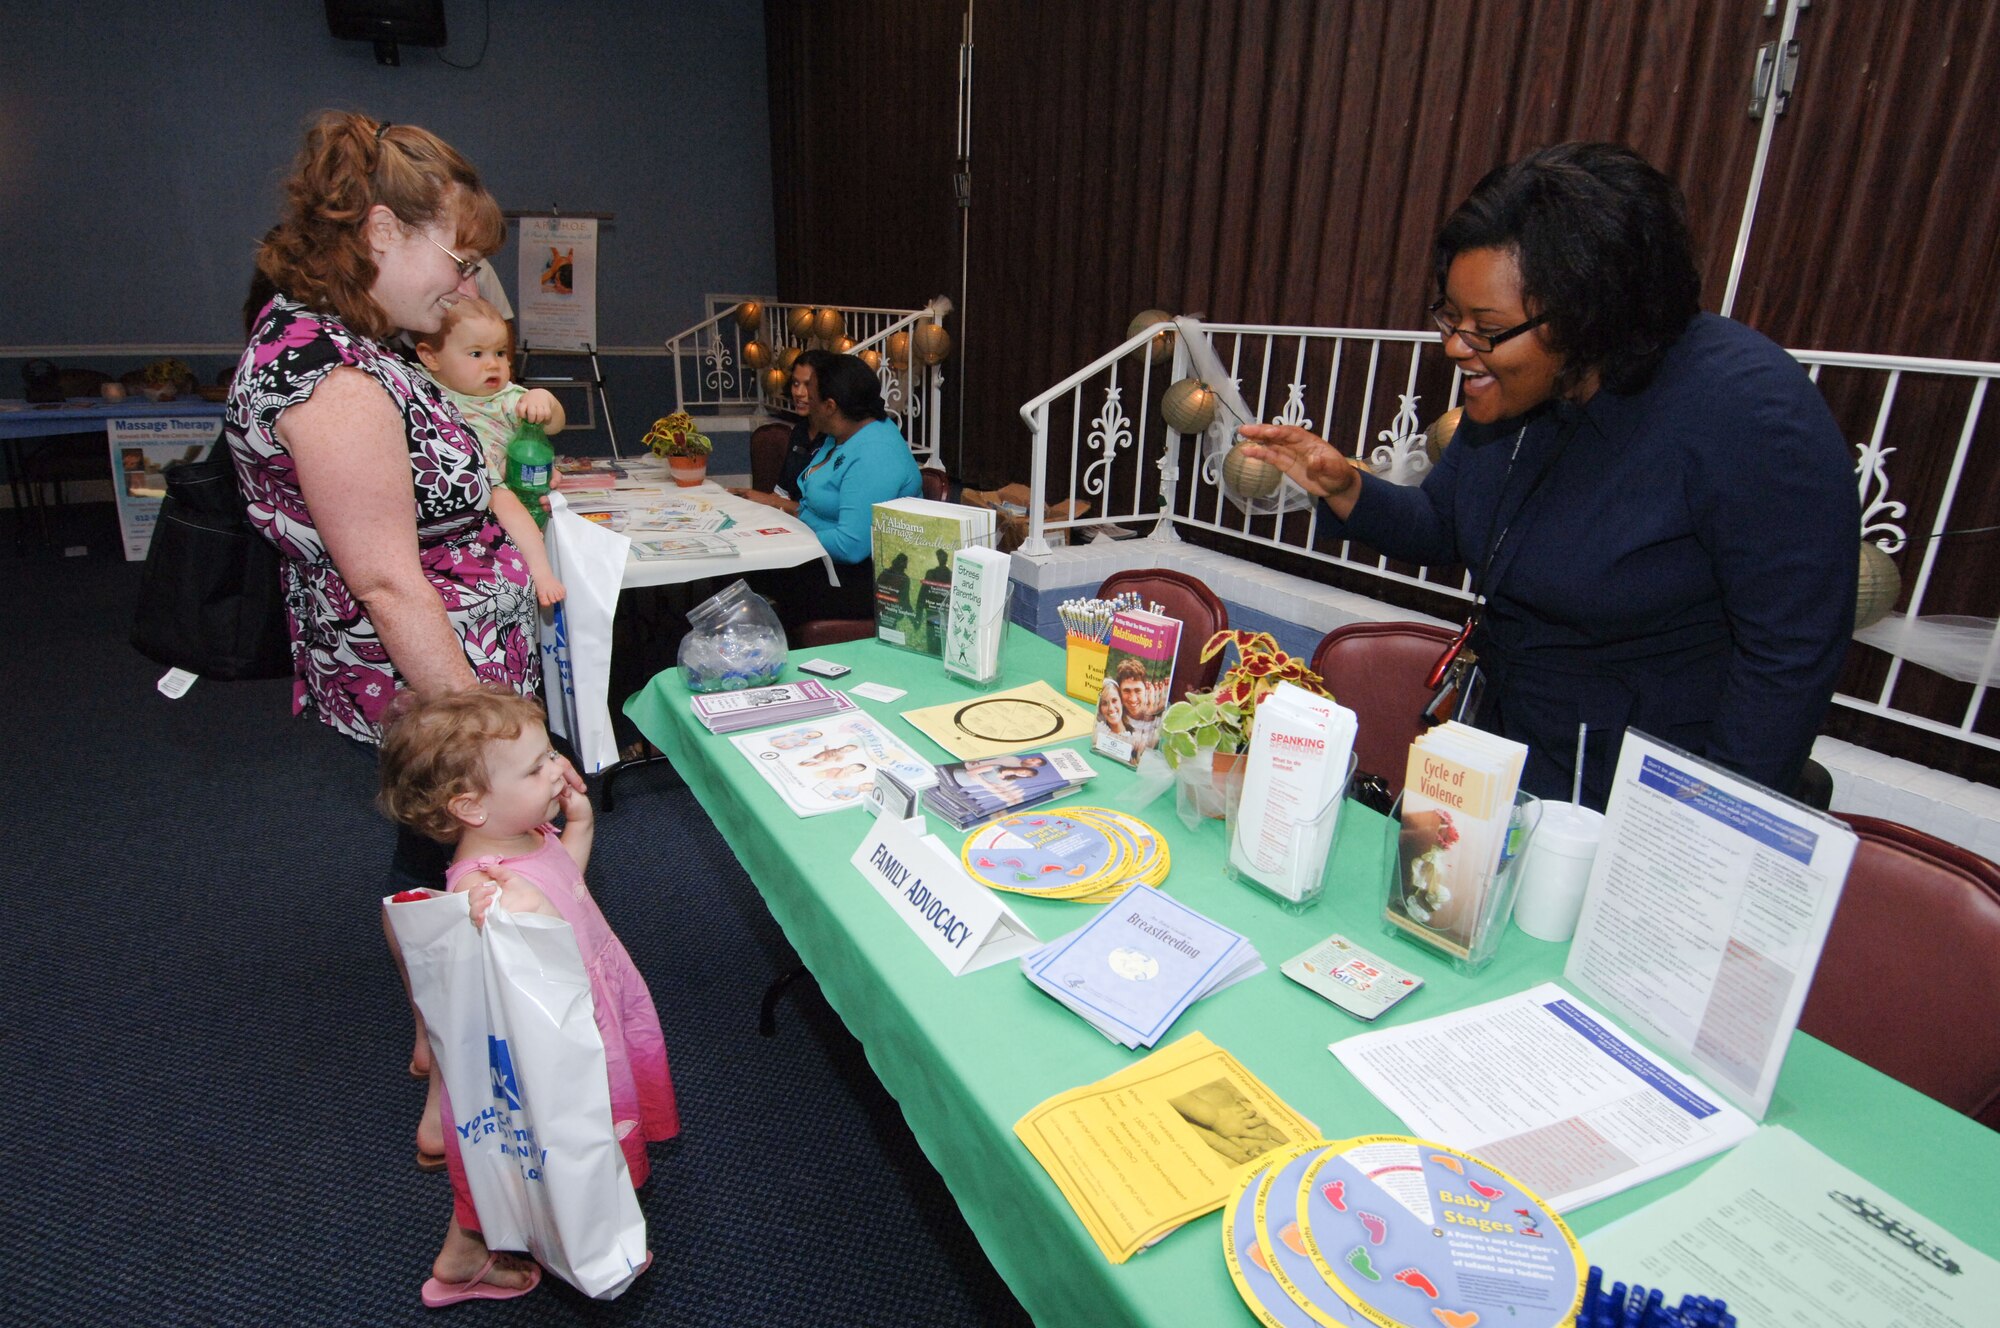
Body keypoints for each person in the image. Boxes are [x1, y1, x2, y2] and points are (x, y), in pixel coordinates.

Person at [226, 110, 582, 1298]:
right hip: (432, 687)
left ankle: (443, 1062)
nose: (466, 277)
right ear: (378, 230)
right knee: (469, 900)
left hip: (452, 676)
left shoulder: (349, 339)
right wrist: (497, 741)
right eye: (457, 254)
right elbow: (385, 575)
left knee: (436, 878)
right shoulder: (321, 371)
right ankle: (470, 1171)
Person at [1239, 142, 1858, 809]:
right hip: (1505, 746)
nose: (1456, 346)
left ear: (1587, 316)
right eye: (1451, 316)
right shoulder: (1518, 387)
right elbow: (1450, 525)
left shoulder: (1749, 413)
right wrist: (1347, 488)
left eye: (1486, 328)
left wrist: (1708, 835)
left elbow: (1787, 664)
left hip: (1637, 794)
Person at [379, 688, 677, 1307]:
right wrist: (477, 917)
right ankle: (487, 1247)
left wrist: (580, 824)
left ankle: (479, 1249)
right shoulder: (483, 883)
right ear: (470, 806)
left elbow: (563, 879)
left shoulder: (525, 834)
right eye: (537, 765)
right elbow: (499, 963)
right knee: (544, 1136)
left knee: (565, 1134)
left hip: (587, 993)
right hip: (549, 1033)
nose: (557, 770)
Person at [744, 350, 921, 627]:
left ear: (830, 405)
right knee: (742, 566)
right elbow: (811, 507)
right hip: (830, 563)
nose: (804, 402)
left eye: (811, 398)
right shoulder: (841, 434)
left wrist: (789, 538)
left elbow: (850, 546)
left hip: (870, 581)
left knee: (748, 574)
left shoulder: (875, 452)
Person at [412, 295, 567, 608]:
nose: (493, 363)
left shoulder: (505, 397)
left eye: (500, 352)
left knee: (507, 501)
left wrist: (542, 398)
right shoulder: (420, 389)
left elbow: (555, 425)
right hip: (456, 489)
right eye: (476, 353)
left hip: (499, 485)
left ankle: (540, 570)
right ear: (431, 358)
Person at [729, 353, 826, 509]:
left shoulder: (838, 437)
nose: (799, 393)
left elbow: (824, 513)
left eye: (808, 385)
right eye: (795, 383)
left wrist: (773, 501)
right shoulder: (800, 431)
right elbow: (782, 492)